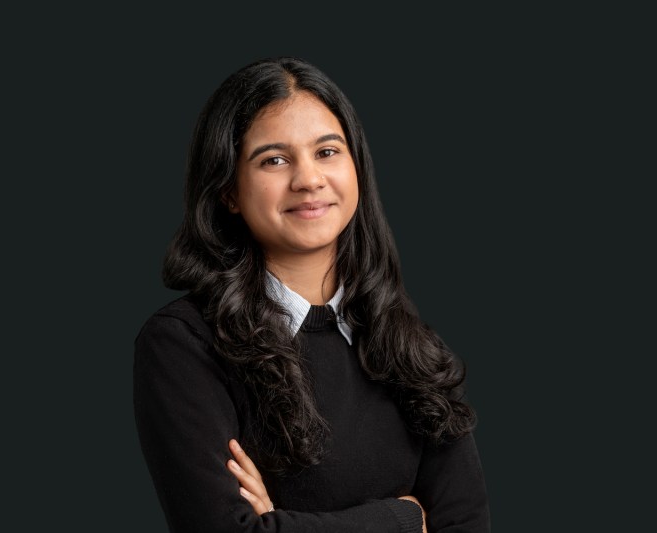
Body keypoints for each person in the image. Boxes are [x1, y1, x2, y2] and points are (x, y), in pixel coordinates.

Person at [133, 56, 490, 533]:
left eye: (327, 152)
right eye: (274, 160)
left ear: (355, 167)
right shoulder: (185, 345)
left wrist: (282, 524)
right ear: (228, 191)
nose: (308, 179)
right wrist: (403, 518)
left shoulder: (412, 348)